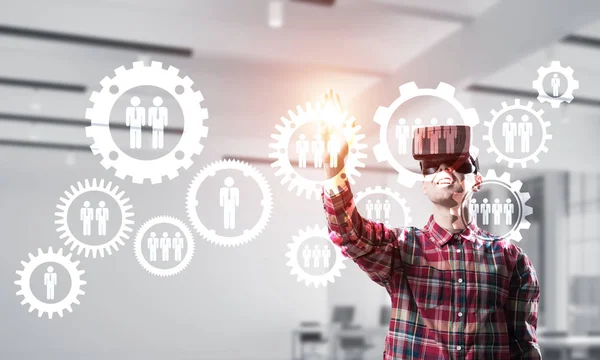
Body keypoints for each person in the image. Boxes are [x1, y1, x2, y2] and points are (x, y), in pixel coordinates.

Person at [318, 90, 541, 359]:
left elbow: (524, 348)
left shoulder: (511, 259)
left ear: (477, 181)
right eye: (431, 168)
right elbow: (350, 233)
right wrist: (335, 166)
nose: (444, 172)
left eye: (459, 164)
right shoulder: (400, 249)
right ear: (425, 185)